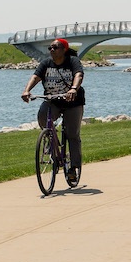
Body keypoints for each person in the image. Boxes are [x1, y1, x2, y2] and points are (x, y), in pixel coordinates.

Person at [21, 38, 85, 182]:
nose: (51, 50)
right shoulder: (46, 63)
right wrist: (26, 91)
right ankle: (51, 143)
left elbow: (78, 75)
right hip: (52, 100)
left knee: (72, 134)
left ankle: (73, 168)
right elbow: (36, 77)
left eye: (55, 47)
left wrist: (74, 89)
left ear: (64, 50)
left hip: (73, 102)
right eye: (50, 48)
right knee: (43, 117)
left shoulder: (73, 61)